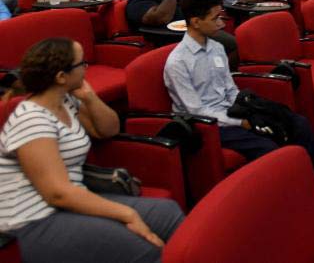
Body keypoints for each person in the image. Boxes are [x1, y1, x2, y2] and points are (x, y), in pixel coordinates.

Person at [0, 38, 184, 262]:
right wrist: (128, 214)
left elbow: (109, 129)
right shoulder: (32, 119)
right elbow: (58, 193)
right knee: (146, 250)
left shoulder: (65, 100)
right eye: (81, 64)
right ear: (61, 77)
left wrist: (89, 96)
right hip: (36, 219)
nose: (86, 68)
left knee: (169, 214)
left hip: (71, 200)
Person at [163, 0, 314, 190]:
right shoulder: (178, 62)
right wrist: (241, 122)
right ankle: (290, 195)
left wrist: (249, 112)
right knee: (268, 146)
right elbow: (195, 111)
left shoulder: (216, 48)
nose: (221, 24)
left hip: (234, 109)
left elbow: (230, 89)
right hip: (211, 126)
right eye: (215, 19)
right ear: (196, 22)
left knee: (297, 123)